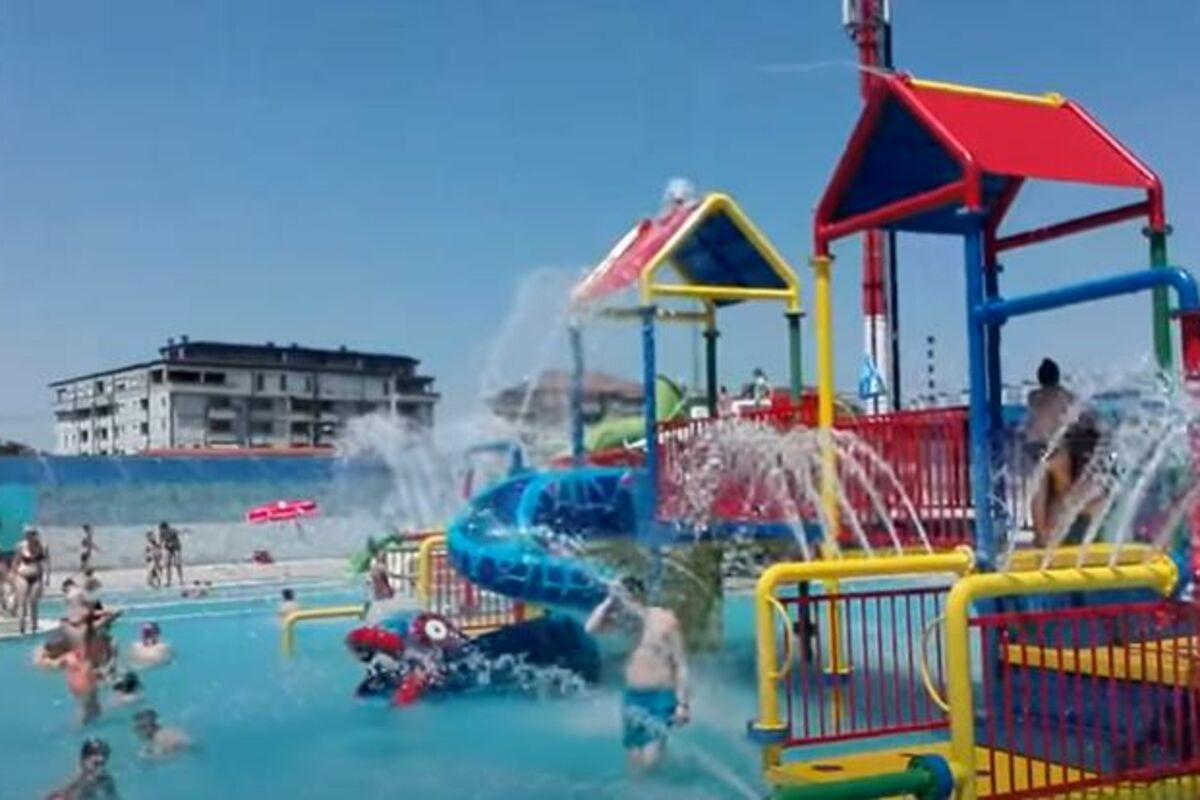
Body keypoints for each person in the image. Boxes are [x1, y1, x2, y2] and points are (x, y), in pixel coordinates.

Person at [586, 576, 690, 771]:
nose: (621, 606)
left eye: (623, 599)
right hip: (632, 698)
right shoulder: (623, 622)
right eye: (618, 600)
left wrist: (682, 704)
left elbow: (681, 664)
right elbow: (591, 628)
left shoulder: (665, 620)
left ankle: (660, 782)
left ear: (637, 597)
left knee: (651, 759)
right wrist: (609, 601)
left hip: (660, 696)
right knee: (634, 762)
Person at [1025, 358, 1076, 465]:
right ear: (1057, 377)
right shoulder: (1063, 394)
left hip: (1033, 446)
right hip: (1051, 446)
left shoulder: (1032, 396)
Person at [45, 738, 117, 800]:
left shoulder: (106, 779)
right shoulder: (76, 778)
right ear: (83, 759)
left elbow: (113, 797)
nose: (101, 758)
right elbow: (58, 794)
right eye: (96, 764)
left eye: (102, 764)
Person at [13, 526, 49, 635]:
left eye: (32, 534)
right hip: (22, 575)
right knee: (22, 602)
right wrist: (13, 576)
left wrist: (47, 578)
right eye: (27, 534)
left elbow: (47, 563)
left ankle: (34, 626)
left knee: (33, 601)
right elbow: (16, 561)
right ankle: (21, 627)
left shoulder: (43, 546)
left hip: (36, 576)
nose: (29, 536)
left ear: (35, 535)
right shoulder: (20, 546)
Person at [157, 522, 183, 587]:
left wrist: (185, 531)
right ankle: (169, 581)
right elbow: (160, 542)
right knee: (168, 565)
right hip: (168, 548)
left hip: (176, 547)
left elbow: (179, 532)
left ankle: (181, 580)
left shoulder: (172, 531)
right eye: (160, 529)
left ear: (166, 528)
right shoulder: (161, 533)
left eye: (162, 529)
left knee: (177, 564)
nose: (161, 530)